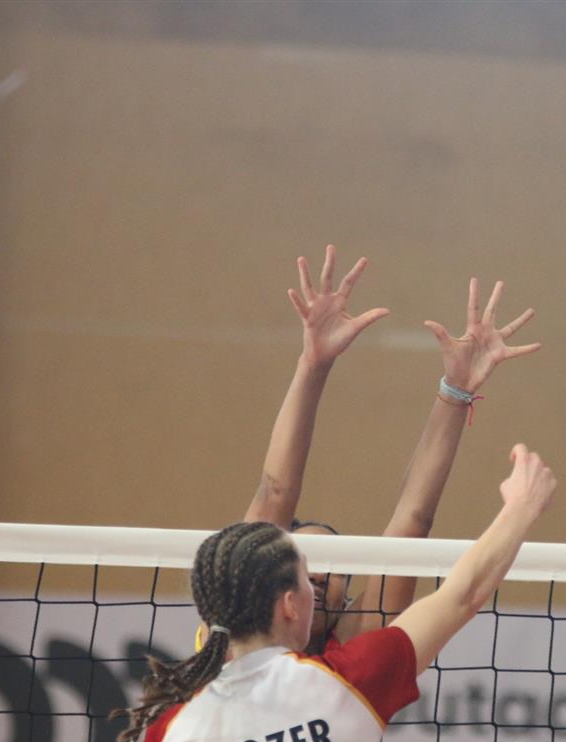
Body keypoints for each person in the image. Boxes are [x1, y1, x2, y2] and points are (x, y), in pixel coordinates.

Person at [115, 444, 556, 742]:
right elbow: (463, 594)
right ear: (290, 605)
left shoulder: (170, 729)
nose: (318, 587)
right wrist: (522, 507)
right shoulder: (349, 682)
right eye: (307, 578)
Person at [226, 244, 540, 650]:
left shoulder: (356, 651)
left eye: (334, 569)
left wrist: (456, 391)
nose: (318, 576)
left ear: (348, 602)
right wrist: (313, 363)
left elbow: (413, 520)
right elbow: (276, 491)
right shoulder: (234, 630)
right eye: (305, 559)